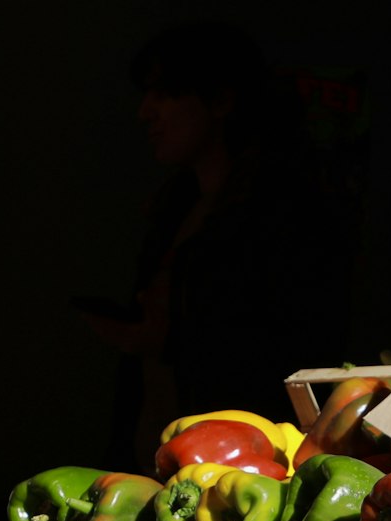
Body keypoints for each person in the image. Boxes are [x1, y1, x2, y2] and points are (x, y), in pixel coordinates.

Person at [82, 19, 357, 475]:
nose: (146, 112)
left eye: (166, 93)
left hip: (240, 459)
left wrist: (165, 340)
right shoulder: (178, 205)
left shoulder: (283, 212)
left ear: (222, 101)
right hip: (163, 447)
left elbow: (288, 344)